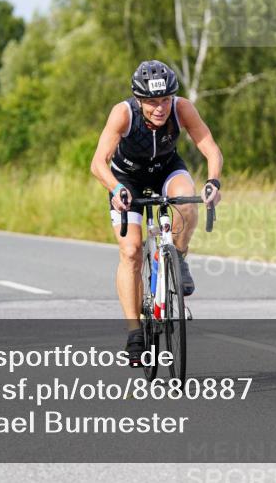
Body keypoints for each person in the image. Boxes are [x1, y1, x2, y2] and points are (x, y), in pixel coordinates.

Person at [90, 60, 223, 364]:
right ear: (139, 100)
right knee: (131, 251)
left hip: (166, 169)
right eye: (151, 102)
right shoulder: (123, 113)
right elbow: (98, 162)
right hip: (128, 179)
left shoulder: (182, 108)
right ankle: (135, 332)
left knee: (187, 203)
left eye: (164, 100)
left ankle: (178, 256)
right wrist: (114, 189)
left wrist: (213, 182)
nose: (160, 108)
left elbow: (211, 148)